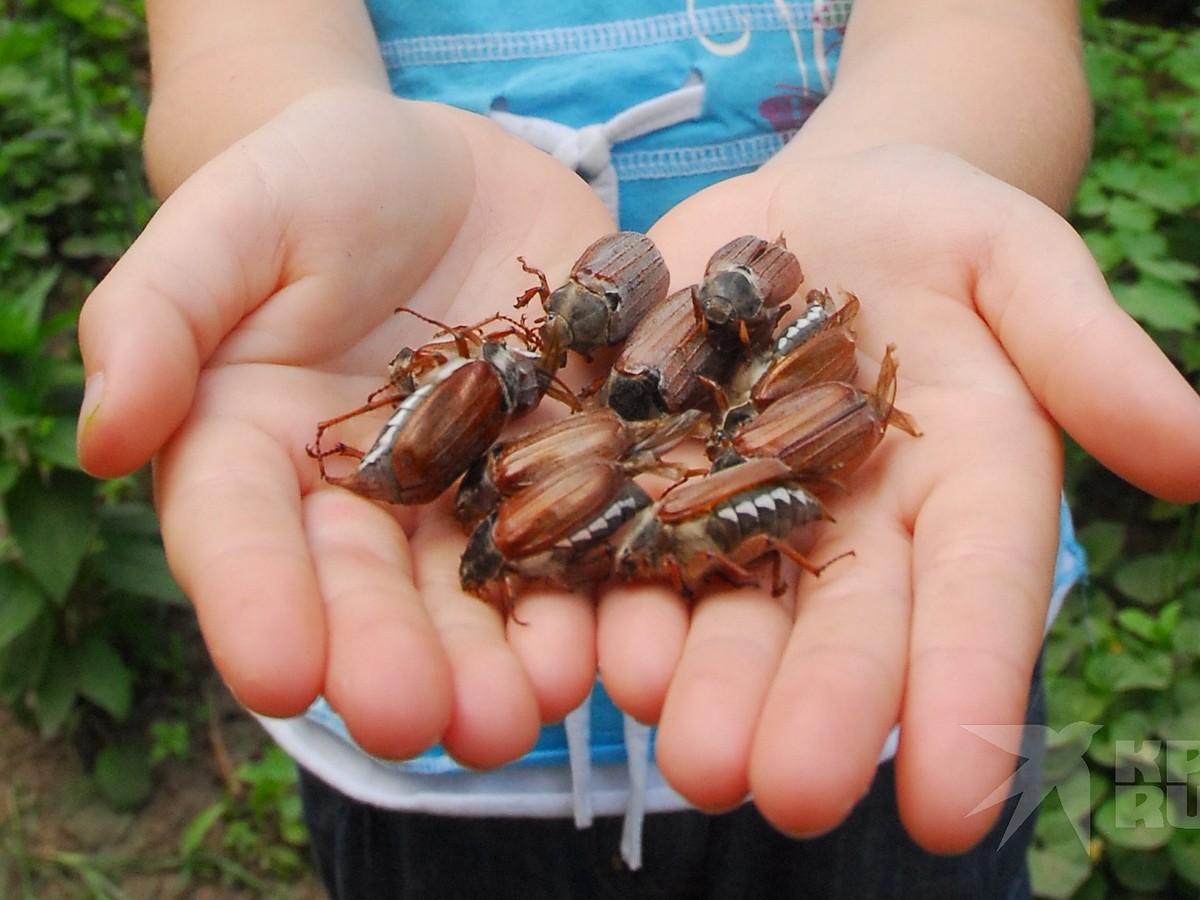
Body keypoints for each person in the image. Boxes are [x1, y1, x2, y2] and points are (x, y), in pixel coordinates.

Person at [76, 0, 1200, 896]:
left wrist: (925, 152)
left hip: (898, 664)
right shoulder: (539, 428)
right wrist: (278, 141)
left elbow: (985, 26)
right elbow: (239, 40)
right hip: (432, 746)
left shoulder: (655, 386)